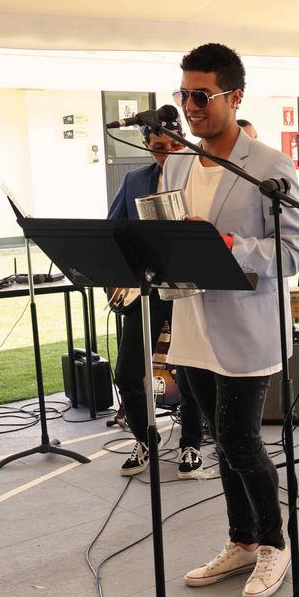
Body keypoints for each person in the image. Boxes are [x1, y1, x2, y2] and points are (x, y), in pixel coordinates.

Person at [165, 43, 299, 597]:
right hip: (192, 324)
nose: (190, 107)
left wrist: (231, 244)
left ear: (234, 96)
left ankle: (275, 545)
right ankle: (242, 541)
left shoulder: (269, 166)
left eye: (201, 96)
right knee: (222, 442)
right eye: (184, 95)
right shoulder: (177, 162)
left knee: (240, 440)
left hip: (247, 328)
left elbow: (294, 250)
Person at [106, 117, 206, 479]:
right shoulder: (134, 180)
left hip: (189, 289)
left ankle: (191, 444)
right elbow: (114, 229)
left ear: (184, 140)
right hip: (147, 290)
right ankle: (144, 439)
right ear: (148, 147)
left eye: (175, 146)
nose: (168, 154)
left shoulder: (200, 177)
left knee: (191, 373)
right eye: (159, 148)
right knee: (126, 374)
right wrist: (115, 279)